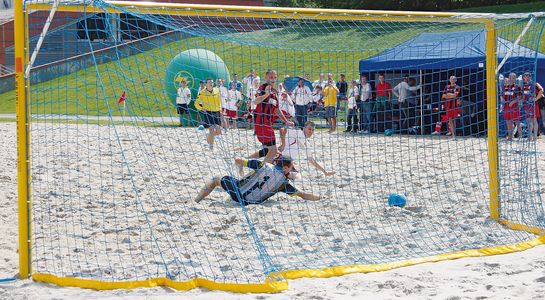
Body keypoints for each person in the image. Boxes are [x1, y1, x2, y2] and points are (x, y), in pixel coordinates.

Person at [194, 156, 321, 205]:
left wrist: (240, 168)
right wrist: (319, 198)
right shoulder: (283, 184)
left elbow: (238, 160)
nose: (294, 169)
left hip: (237, 193)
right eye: (293, 166)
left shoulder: (263, 165)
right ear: (286, 168)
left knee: (216, 179)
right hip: (250, 203)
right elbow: (303, 195)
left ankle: (197, 200)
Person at [250, 121, 335, 177]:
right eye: (309, 129)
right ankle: (249, 162)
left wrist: (324, 172)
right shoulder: (298, 132)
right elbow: (282, 129)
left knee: (297, 177)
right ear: (304, 128)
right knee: (266, 159)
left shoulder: (308, 144)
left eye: (313, 130)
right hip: (279, 157)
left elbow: (311, 160)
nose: (311, 131)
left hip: (288, 163)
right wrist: (283, 144)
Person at [253, 69, 294, 163]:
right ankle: (262, 170)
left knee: (267, 151)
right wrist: (265, 95)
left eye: (275, 77)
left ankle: (245, 161)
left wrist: (286, 121)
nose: (273, 79)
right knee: (273, 151)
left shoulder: (274, 92)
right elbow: (256, 101)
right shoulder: (263, 88)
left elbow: (276, 110)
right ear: (266, 77)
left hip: (267, 124)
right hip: (262, 123)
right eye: (271, 77)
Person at [195, 78, 222, 149]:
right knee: (212, 129)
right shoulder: (202, 92)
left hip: (216, 112)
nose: (211, 83)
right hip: (208, 112)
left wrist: (220, 110)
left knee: (219, 132)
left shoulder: (216, 91)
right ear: (206, 84)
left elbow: (219, 102)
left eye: (212, 82)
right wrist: (201, 108)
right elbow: (196, 103)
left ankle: (209, 137)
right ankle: (211, 146)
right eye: (209, 82)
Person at [522, 72, 542, 141]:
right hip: (526, 105)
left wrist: (536, 99)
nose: (526, 78)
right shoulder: (523, 85)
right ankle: (529, 136)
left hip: (533, 105)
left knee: (534, 120)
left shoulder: (535, 84)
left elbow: (541, 90)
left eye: (528, 77)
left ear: (530, 77)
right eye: (525, 77)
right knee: (528, 121)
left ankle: (535, 137)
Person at [502, 75, 521, 140]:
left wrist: (513, 102)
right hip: (507, 107)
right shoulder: (505, 87)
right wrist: (503, 101)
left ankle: (520, 137)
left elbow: (520, 97)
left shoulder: (517, 87)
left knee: (517, 122)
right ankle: (510, 136)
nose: (511, 79)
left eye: (513, 78)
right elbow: (502, 96)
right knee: (509, 122)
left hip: (514, 107)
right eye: (510, 78)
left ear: (515, 79)